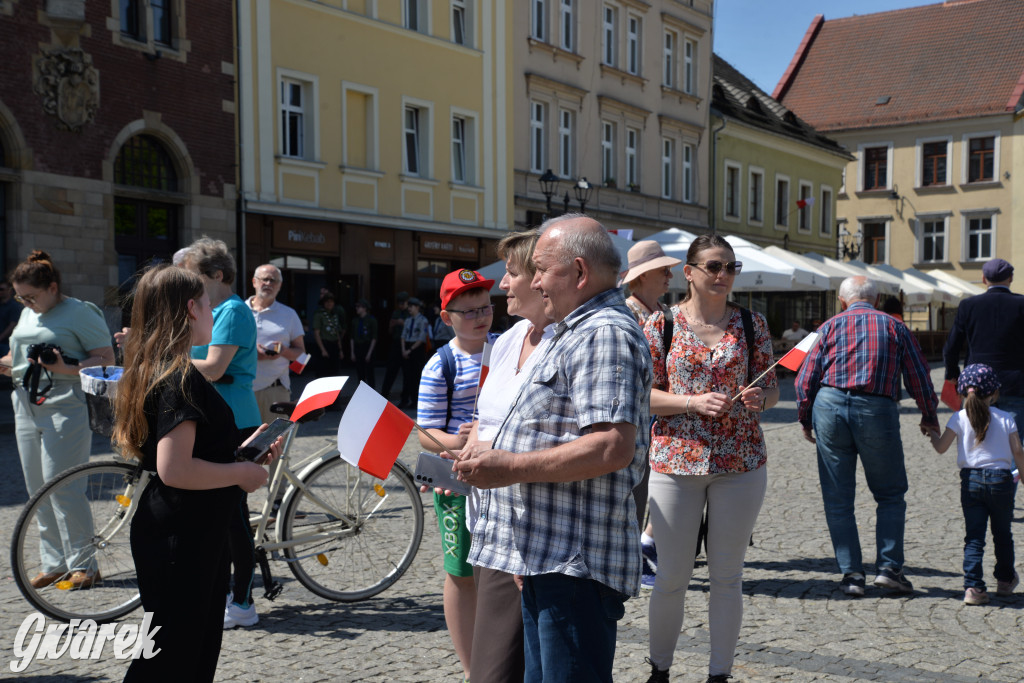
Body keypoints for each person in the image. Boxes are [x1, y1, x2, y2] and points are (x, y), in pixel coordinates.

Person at [455, 214, 652, 683]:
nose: (534, 280)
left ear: (579, 273)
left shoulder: (602, 332)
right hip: (550, 558)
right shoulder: (574, 329)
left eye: (540, 269)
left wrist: (509, 467)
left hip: (574, 565)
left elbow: (611, 447)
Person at [112, 264, 282, 682]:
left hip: (192, 531)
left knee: (191, 654)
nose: (213, 312)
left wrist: (242, 454)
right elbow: (176, 469)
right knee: (172, 660)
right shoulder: (180, 378)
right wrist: (240, 473)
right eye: (208, 304)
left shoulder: (166, 369)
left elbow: (192, 451)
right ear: (191, 308)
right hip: (180, 537)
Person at [641, 234, 778, 683]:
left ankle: (719, 674)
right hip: (676, 460)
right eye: (714, 266)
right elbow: (641, 396)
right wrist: (691, 403)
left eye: (730, 267)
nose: (723, 276)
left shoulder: (753, 324)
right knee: (671, 577)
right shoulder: (661, 325)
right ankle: (659, 669)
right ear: (690, 272)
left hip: (740, 462)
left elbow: (773, 388)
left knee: (727, 576)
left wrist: (762, 397)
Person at [796, 276, 939, 597]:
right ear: (875, 301)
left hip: (830, 406)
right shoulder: (895, 326)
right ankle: (889, 569)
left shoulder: (826, 327)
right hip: (877, 407)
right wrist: (929, 415)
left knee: (838, 498)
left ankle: (851, 575)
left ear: (842, 301)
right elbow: (919, 376)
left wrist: (805, 417)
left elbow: (805, 377)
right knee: (890, 494)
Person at [465, 229, 553, 683]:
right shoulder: (507, 339)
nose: (501, 285)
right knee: (491, 663)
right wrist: (470, 445)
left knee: (507, 669)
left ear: (540, 279)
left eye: (511, 273)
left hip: (533, 530)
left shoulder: (566, 342)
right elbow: (484, 413)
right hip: (488, 522)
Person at [0, 250, 115, 589]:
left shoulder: (80, 312)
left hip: (65, 404)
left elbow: (106, 359)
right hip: (25, 401)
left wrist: (63, 366)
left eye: (31, 296)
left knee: (62, 485)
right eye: (21, 297)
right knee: (37, 488)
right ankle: (55, 562)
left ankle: (84, 564)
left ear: (52, 287)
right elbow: (15, 357)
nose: (26, 303)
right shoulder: (27, 314)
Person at [417, 268, 496, 683]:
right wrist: (455, 436)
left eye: (485, 307)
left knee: (497, 576)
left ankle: (496, 661)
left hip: (502, 477)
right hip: (455, 482)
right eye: (468, 312)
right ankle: (472, 669)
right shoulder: (440, 364)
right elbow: (426, 433)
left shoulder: (506, 348)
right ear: (447, 317)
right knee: (462, 574)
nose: (480, 317)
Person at [180, 238, 263, 629]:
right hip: (218, 415)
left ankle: (244, 601)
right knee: (222, 512)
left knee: (234, 516)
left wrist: (161, 362)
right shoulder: (215, 309)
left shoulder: (231, 310)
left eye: (192, 275)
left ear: (216, 275)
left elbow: (213, 367)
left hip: (234, 417)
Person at [927, 363, 1023, 605]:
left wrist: (932, 434)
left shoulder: (958, 418)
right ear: (994, 393)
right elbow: (1018, 452)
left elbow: (941, 448)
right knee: (1002, 534)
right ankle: (1004, 580)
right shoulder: (1005, 418)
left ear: (962, 393)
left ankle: (973, 587)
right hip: (1001, 482)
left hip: (970, 482)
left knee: (974, 537)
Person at [620, 239, 682, 591]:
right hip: (640, 418)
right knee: (634, 494)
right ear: (641, 276)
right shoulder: (628, 315)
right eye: (663, 270)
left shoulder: (665, 314)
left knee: (657, 492)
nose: (669, 276)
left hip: (664, 419)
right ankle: (632, 560)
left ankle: (643, 548)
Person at [943, 257, 1024, 428]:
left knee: (978, 440)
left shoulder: (968, 305)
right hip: (1015, 383)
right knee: (1013, 441)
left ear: (983, 279)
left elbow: (951, 347)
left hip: (978, 383)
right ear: (1010, 278)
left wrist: (953, 374)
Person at [247, 264, 305, 425]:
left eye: (274, 281)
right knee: (241, 446)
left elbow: (302, 354)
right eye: (265, 279)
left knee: (273, 446)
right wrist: (252, 352)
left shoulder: (289, 314)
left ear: (280, 286)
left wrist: (284, 351)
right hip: (241, 391)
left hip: (275, 390)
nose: (269, 284)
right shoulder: (239, 310)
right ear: (254, 282)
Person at [399, 296, 429, 409]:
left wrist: (410, 350)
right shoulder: (407, 320)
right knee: (406, 376)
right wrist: (403, 350)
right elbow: (403, 336)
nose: (409, 309)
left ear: (417, 307)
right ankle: (405, 399)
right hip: (406, 347)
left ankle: (415, 401)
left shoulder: (423, 320)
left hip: (417, 349)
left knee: (416, 377)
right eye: (409, 306)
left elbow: (421, 338)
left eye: (411, 306)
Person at [380, 291, 410, 400]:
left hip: (407, 343)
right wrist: (392, 325)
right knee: (391, 370)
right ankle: (384, 395)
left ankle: (405, 398)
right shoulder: (396, 313)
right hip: (396, 342)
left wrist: (403, 323)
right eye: (399, 303)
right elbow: (390, 331)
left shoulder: (410, 313)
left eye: (403, 303)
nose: (401, 305)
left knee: (407, 373)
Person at [312, 291, 344, 377]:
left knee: (335, 372)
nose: (329, 303)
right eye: (327, 301)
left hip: (334, 345)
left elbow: (337, 333)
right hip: (324, 344)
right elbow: (316, 333)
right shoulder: (319, 315)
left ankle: (336, 391)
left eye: (331, 301)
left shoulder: (335, 316)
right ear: (323, 303)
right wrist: (322, 349)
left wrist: (340, 349)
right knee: (323, 372)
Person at [348, 298, 378, 388]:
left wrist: (369, 353)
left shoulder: (372, 320)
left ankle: (372, 394)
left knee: (370, 373)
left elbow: (374, 337)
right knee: (360, 374)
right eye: (356, 306)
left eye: (359, 307)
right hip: (358, 347)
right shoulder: (355, 321)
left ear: (364, 308)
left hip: (368, 346)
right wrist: (352, 352)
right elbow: (352, 337)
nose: (357, 308)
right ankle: (361, 393)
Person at [0, 279, 23, 357]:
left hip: (6, 344)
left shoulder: (14, 306)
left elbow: (12, 325)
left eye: (2, 289)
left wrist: (0, 337)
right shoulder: (1, 304)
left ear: (9, 291)